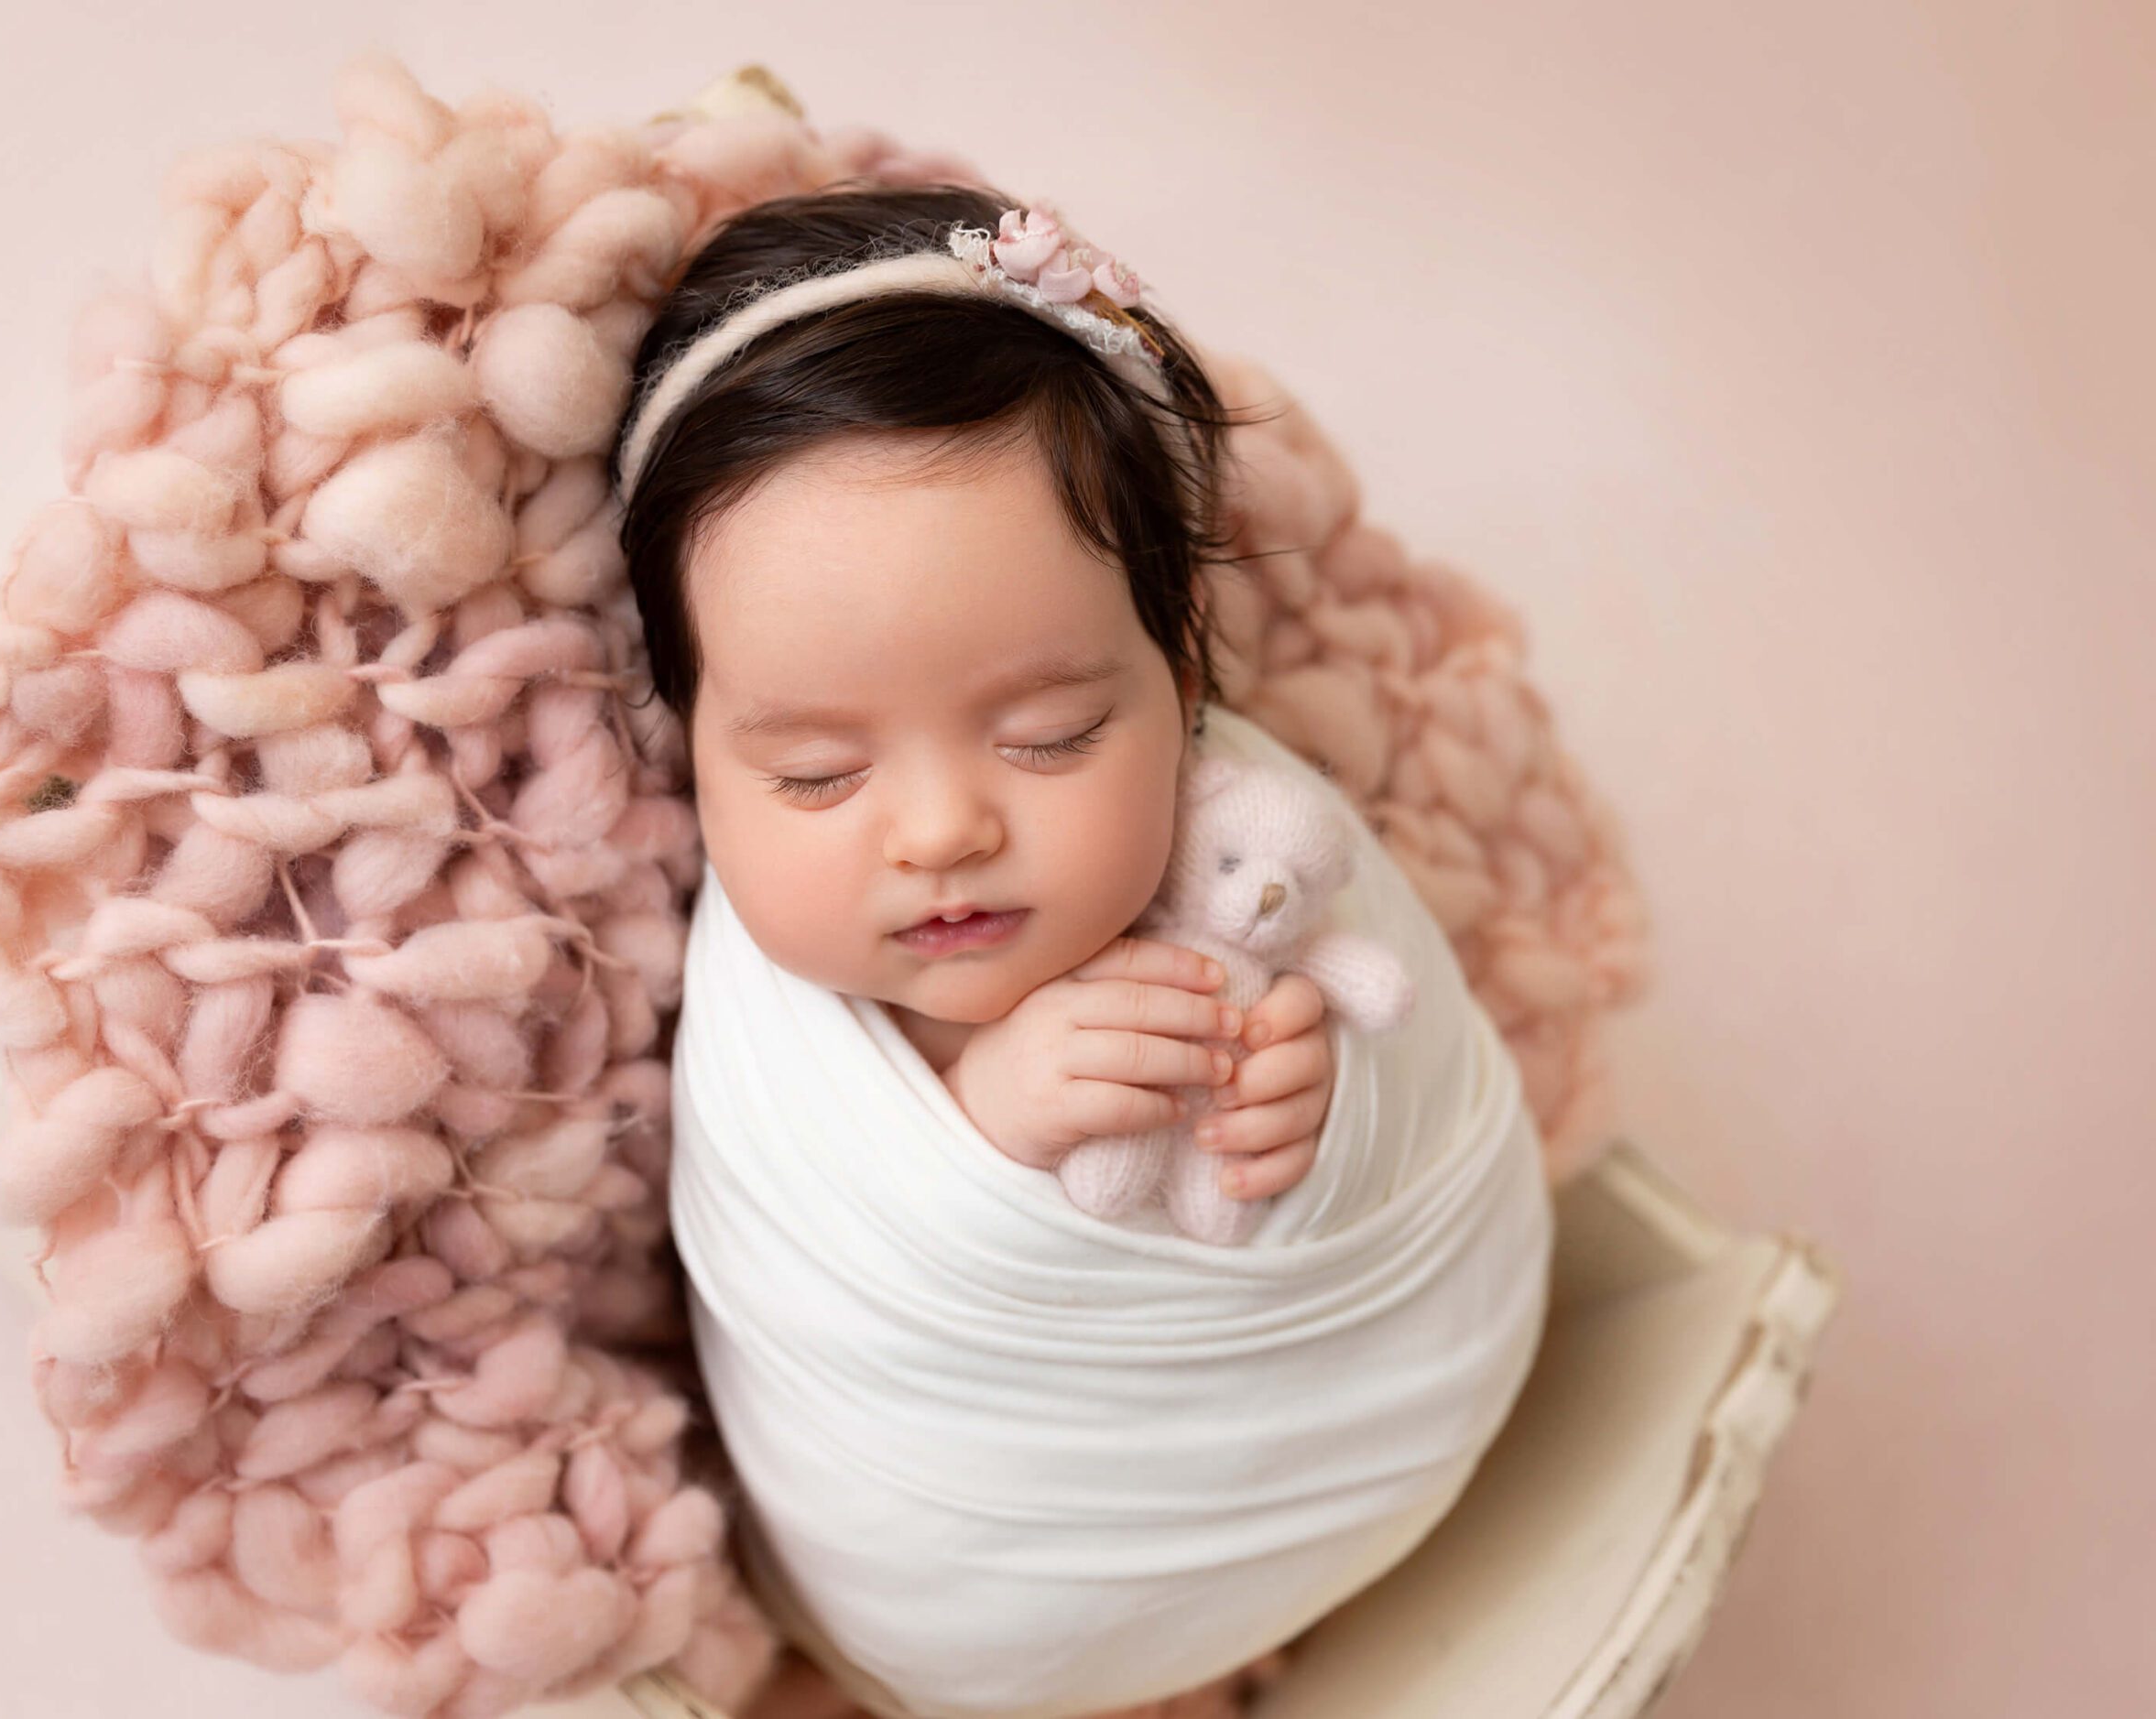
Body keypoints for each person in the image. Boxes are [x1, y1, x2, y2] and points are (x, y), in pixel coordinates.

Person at [614, 182, 1552, 1719]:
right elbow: (834, 1246)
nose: (939, 832)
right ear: (693, 746)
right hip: (960, 1583)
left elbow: (1402, 1069)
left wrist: (1310, 1111)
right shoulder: (768, 1005)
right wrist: (986, 1127)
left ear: (1181, 678)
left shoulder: (1255, 845)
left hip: (1377, 1449)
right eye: (814, 775)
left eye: (1050, 735)